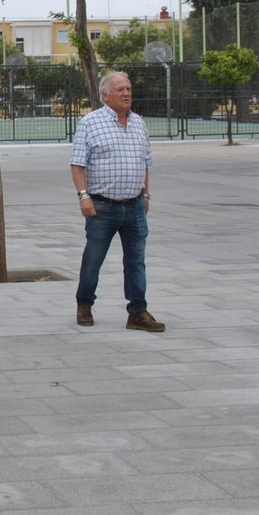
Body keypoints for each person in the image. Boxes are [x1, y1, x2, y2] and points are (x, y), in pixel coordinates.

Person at [69, 71, 165, 333]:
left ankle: (137, 312)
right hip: (102, 207)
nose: (126, 93)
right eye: (120, 89)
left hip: (134, 206)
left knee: (136, 260)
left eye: (128, 89)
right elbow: (77, 164)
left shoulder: (138, 123)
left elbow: (145, 162)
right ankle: (84, 303)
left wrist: (146, 195)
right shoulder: (90, 123)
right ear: (105, 95)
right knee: (94, 258)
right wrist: (84, 197)